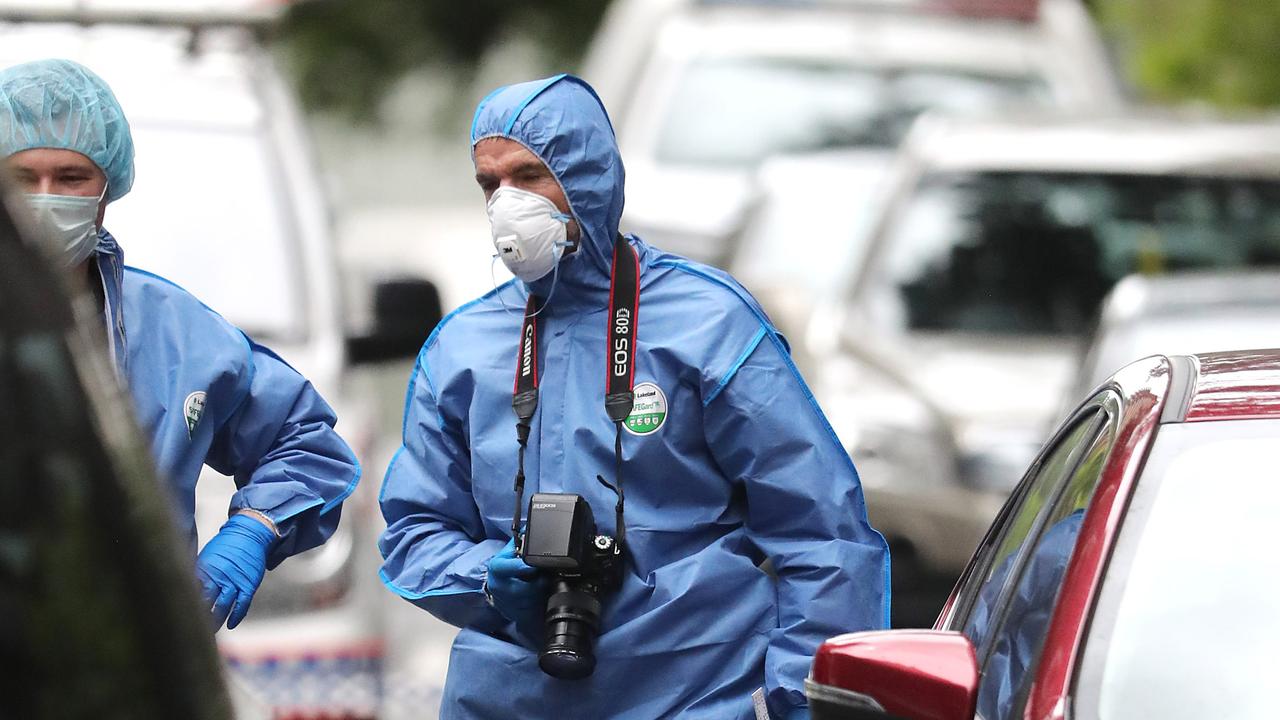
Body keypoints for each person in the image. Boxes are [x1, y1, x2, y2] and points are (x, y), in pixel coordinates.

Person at [378, 73, 889, 719]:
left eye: (530, 175)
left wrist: (802, 702)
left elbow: (821, 535)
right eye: (490, 183)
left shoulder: (706, 323)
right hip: (509, 696)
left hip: (697, 691)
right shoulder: (462, 350)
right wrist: (483, 575)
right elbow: (415, 530)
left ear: (587, 175)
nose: (507, 202)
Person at [0, 59, 360, 631]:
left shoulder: (174, 331)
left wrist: (252, 530)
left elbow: (305, 444)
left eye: (71, 177)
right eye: (22, 179)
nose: (46, 199)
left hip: (137, 662)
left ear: (107, 188)